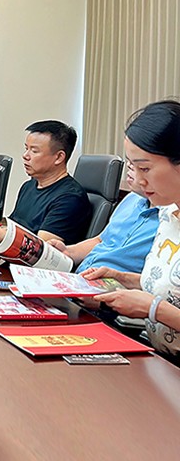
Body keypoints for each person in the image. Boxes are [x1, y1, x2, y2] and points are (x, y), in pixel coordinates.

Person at [82, 100, 180, 358]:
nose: (137, 178)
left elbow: (160, 304)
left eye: (144, 168)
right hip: (159, 361)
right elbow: (171, 288)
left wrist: (154, 309)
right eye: (132, 166)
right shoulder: (167, 214)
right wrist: (121, 278)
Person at [0, 120, 91, 244]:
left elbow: (37, 250)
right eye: (26, 149)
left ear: (59, 157)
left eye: (34, 151)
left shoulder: (70, 198)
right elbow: (12, 228)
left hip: (27, 264)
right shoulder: (28, 186)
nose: (25, 156)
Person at [47, 161, 158, 273]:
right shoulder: (132, 198)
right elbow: (101, 240)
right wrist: (68, 252)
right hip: (82, 275)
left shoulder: (167, 220)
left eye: (143, 166)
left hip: (113, 282)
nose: (129, 165)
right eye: (129, 160)